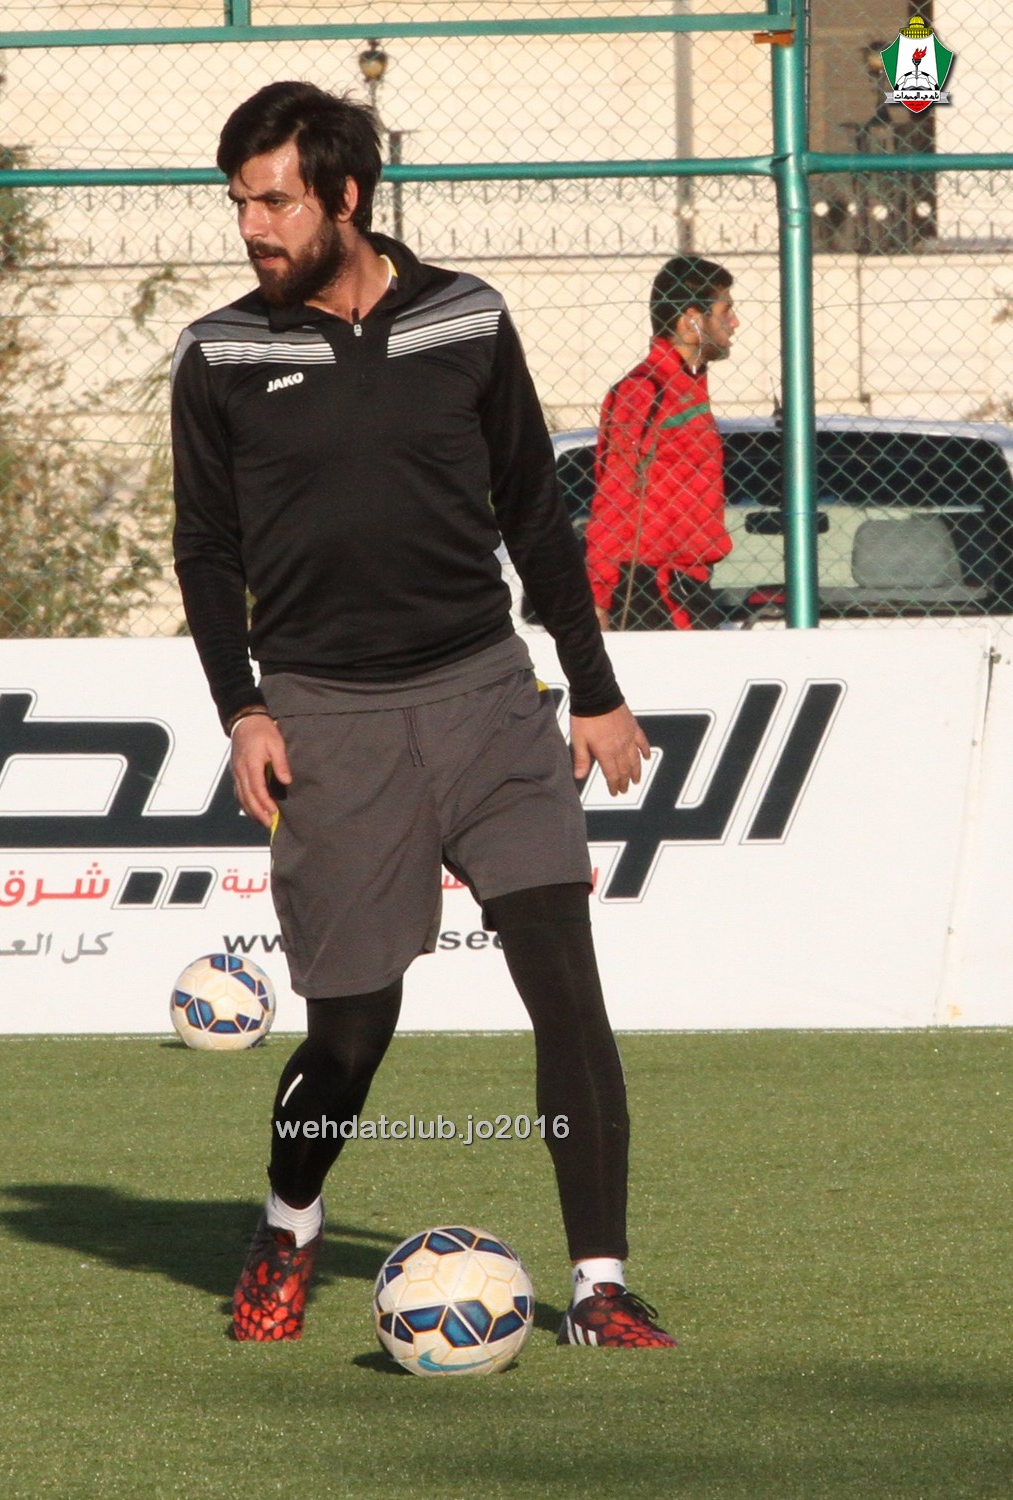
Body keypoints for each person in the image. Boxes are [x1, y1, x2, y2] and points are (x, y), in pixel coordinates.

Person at [170, 80, 675, 1351]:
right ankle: (289, 1226)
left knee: (565, 987)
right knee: (350, 1031)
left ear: (345, 195)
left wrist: (593, 689)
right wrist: (242, 710)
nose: (252, 227)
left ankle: (599, 1287)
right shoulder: (220, 353)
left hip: (486, 699)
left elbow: (533, 512)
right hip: (325, 718)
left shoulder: (467, 317)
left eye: (275, 200)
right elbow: (205, 553)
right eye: (239, 203)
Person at [585, 255, 738, 631]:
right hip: (650, 591)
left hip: (688, 585)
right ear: (692, 320)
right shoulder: (644, 389)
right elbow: (614, 495)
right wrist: (598, 596)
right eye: (726, 311)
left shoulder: (689, 388)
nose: (734, 323)